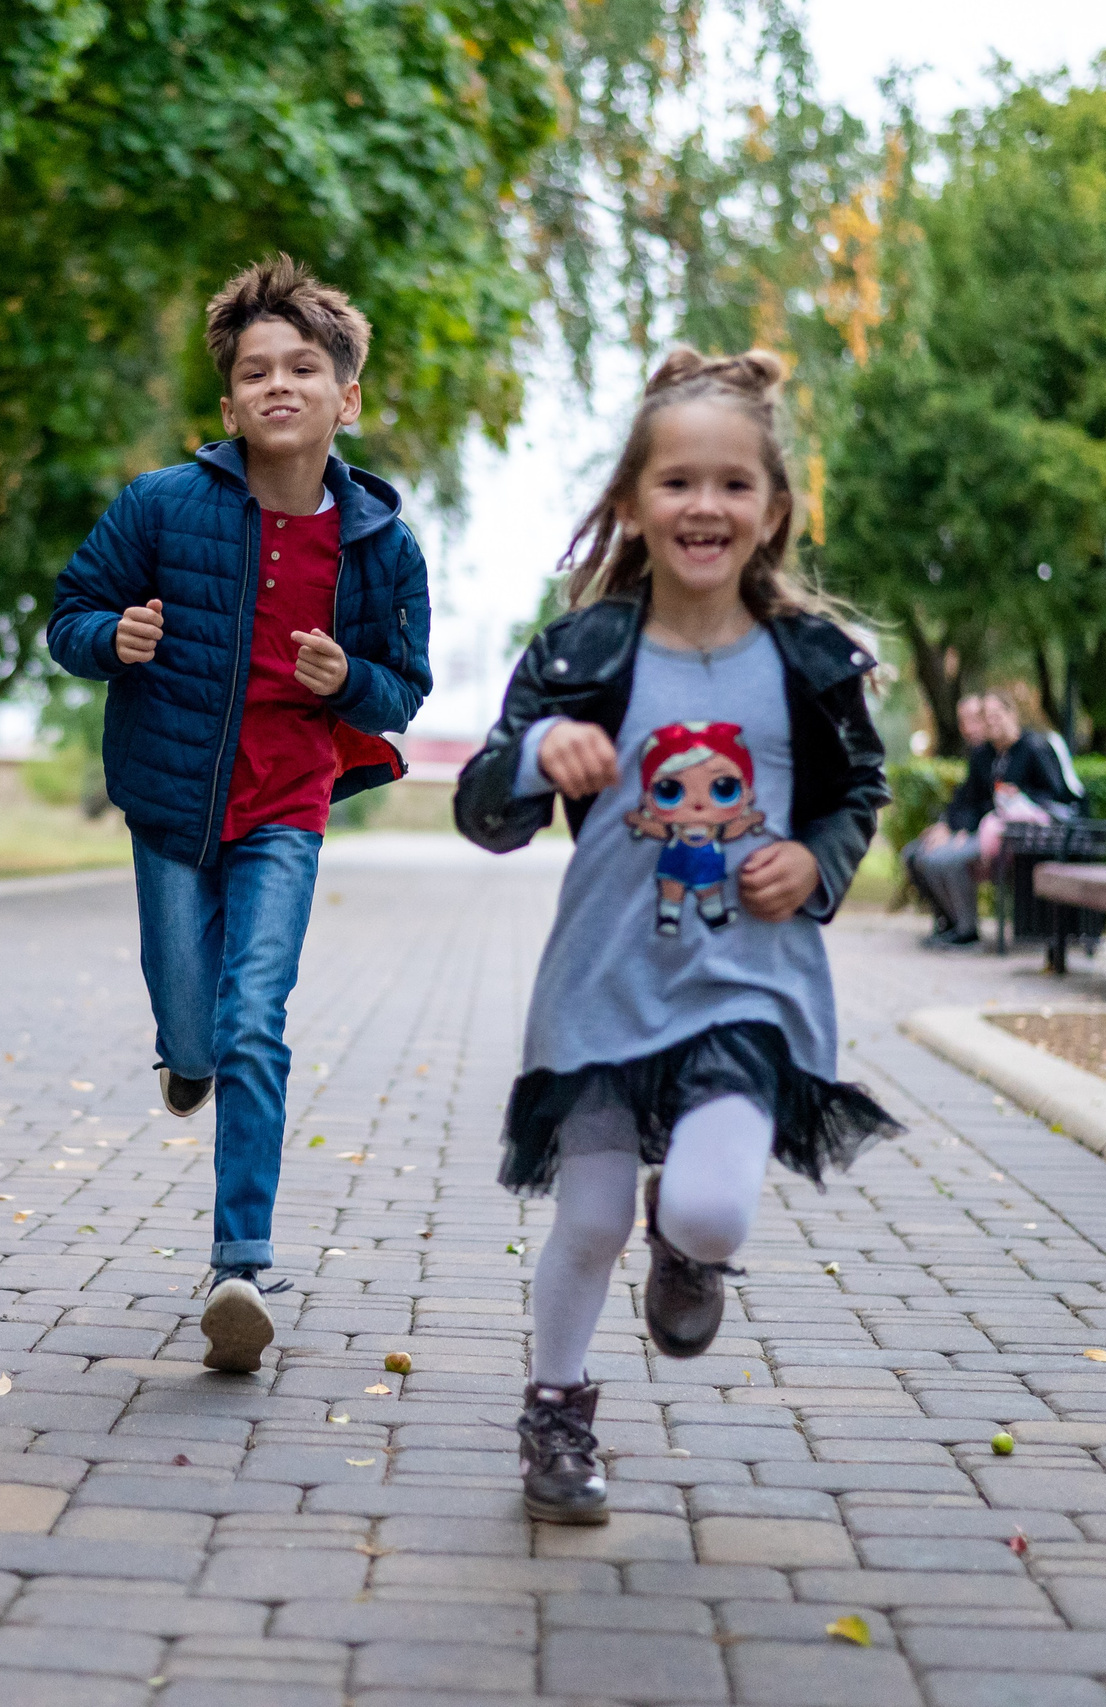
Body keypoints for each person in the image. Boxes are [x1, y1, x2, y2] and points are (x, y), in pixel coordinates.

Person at [455, 348, 899, 1525]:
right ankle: (556, 1414)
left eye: (732, 484)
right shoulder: (578, 655)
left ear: (773, 509)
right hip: (605, 980)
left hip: (749, 983)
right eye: (677, 482)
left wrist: (815, 861)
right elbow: (483, 811)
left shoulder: (810, 664)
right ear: (630, 502)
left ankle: (687, 1248)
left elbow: (856, 793)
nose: (705, 506)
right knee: (591, 1217)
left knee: (708, 1208)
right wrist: (534, 755)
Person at [47, 256, 430, 1374]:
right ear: (228, 407)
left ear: (344, 398)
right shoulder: (160, 506)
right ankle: (184, 1053)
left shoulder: (381, 543)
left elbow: (403, 687)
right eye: (256, 371)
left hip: (286, 807)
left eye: (302, 368)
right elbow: (71, 613)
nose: (279, 386)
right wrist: (112, 638)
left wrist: (347, 680)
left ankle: (240, 1267)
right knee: (195, 1027)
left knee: (254, 1019)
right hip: (171, 799)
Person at [906, 691, 1083, 945]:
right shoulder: (986, 755)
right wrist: (954, 827)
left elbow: (1057, 796)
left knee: (944, 860)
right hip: (989, 831)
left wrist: (1020, 794)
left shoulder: (1035, 748)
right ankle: (956, 925)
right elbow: (969, 798)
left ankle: (966, 930)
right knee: (925, 857)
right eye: (987, 718)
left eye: (997, 715)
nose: (992, 723)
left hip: (1021, 837)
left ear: (1012, 714)